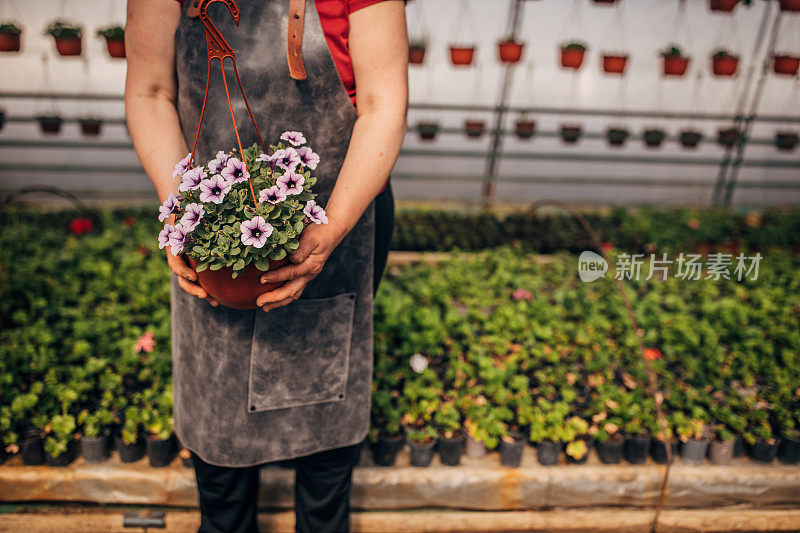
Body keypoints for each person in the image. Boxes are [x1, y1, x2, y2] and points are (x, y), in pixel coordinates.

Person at [124, 0, 408, 531]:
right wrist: (183, 209)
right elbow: (150, 91)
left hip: (342, 209)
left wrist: (330, 229)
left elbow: (382, 101)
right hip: (213, 224)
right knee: (218, 419)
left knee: (327, 406)